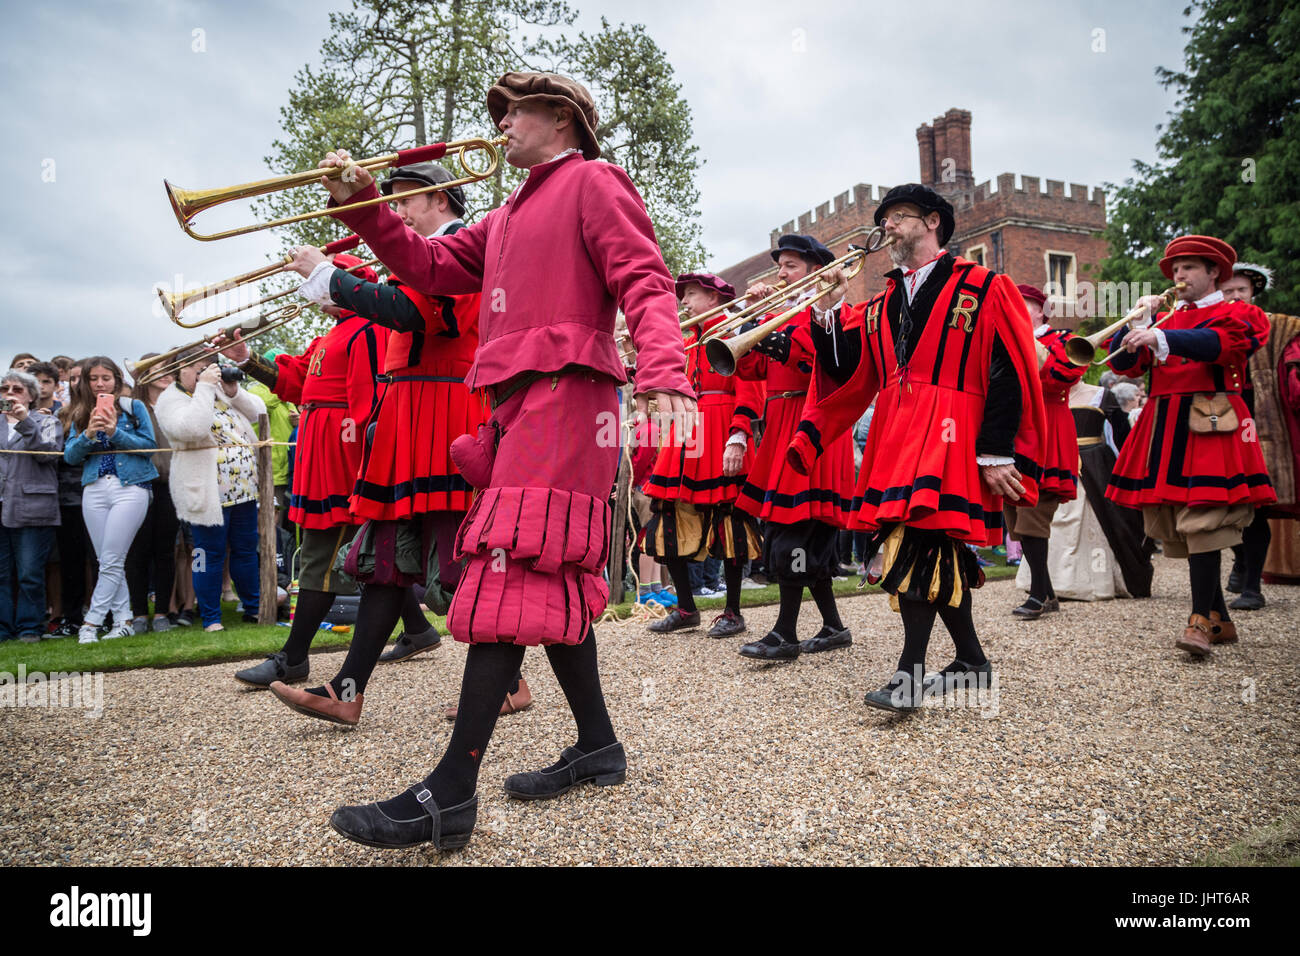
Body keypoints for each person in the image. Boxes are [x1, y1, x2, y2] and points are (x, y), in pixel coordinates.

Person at [304, 71, 694, 851]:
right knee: (546, 565)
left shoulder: (595, 179)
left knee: (509, 564)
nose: (503, 124)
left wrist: (665, 375)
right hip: (518, 403)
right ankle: (599, 745)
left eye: (514, 110)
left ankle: (451, 789)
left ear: (561, 116)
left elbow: (645, 281)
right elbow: (428, 268)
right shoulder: (507, 212)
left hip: (570, 397)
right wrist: (365, 207)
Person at [265, 168, 525, 723]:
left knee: (456, 563)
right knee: (384, 563)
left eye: (404, 201)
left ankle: (512, 681)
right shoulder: (421, 255)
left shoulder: (460, 247)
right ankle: (347, 690)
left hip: (445, 412)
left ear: (439, 197)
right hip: (405, 416)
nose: (395, 212)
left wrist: (335, 280)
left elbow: (421, 315)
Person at [787, 183, 1046, 711]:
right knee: (933, 548)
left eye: (898, 217)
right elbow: (849, 373)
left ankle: (911, 675)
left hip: (952, 433)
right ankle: (972, 661)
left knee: (916, 544)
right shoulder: (881, 302)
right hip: (897, 435)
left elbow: (1009, 372)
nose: (888, 227)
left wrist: (995, 451)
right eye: (884, 220)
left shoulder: (984, 286)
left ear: (932, 222)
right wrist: (830, 308)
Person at [219, 254, 394, 688]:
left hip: (341, 459)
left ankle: (292, 657)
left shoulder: (369, 328)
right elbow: (297, 382)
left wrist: (360, 467)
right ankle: (420, 628)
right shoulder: (331, 335)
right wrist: (246, 358)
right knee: (368, 558)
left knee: (323, 554)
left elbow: (368, 402)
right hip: (323, 455)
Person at [1105, 235, 1275, 657]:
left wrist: (1162, 339)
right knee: (1177, 522)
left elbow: (1223, 346)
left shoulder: (1239, 311)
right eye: (1175, 269)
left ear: (1214, 272)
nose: (1179, 276)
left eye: (1189, 268)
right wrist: (1132, 325)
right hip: (1164, 423)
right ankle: (1220, 618)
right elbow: (1122, 365)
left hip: (1211, 418)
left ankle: (1200, 621)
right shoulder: (1162, 320)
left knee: (1204, 520)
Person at [731, 234, 856, 661]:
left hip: (813, 424)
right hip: (781, 424)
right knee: (805, 535)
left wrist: (776, 336)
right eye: (780, 266)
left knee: (792, 536)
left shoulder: (828, 312)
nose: (780, 274)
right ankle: (834, 627)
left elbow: (820, 363)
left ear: (815, 270)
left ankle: (785, 633)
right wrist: (751, 318)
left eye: (790, 266)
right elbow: (747, 368)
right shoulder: (781, 313)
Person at [642, 272, 763, 638]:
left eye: (691, 294)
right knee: (668, 517)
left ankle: (732, 611)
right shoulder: (685, 337)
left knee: (729, 519)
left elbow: (751, 384)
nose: (684, 302)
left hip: (720, 426)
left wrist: (739, 433)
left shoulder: (733, 329)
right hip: (685, 431)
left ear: (712, 297)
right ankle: (686, 607)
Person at [155, 352, 265, 632]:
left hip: (244, 488)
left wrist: (233, 391)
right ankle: (211, 617)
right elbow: (192, 428)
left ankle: (253, 608)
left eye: (208, 368)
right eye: (198, 369)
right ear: (181, 371)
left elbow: (258, 413)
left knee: (245, 551)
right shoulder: (171, 399)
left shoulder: (217, 391)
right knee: (208, 553)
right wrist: (204, 387)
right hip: (206, 492)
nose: (206, 374)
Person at [1015, 377, 1153, 600]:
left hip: (1096, 465)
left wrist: (1130, 472)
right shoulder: (1045, 396)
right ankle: (1048, 584)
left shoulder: (1101, 395)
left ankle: (1100, 581)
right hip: (1056, 462)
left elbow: (1122, 436)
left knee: (1107, 521)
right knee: (1048, 520)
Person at [61, 357, 159, 643]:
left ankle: (90, 623)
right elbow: (70, 457)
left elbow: (149, 448)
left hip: (131, 487)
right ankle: (123, 619)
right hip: (93, 488)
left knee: (113, 559)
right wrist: (89, 434)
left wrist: (115, 432)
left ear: (116, 379)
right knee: (106, 559)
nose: (100, 383)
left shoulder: (133, 407)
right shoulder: (79, 412)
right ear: (86, 382)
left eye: (106, 377)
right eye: (93, 378)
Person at [1004, 284, 1087, 619]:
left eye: (1023, 305)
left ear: (1042, 310)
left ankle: (1039, 595)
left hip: (1047, 428)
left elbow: (1059, 379)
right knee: (1016, 519)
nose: (1017, 310)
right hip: (1013, 429)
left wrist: (1031, 346)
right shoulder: (1005, 341)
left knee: (1033, 515)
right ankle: (1046, 591)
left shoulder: (1061, 339)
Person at [1218, 262, 1299, 605]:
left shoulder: (1282, 328)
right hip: (1218, 425)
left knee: (1256, 507)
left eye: (1242, 291)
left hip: (1261, 429)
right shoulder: (1208, 327)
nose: (1235, 297)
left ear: (1253, 293)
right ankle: (1240, 560)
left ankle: (1252, 585)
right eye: (1228, 291)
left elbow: (1294, 381)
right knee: (1223, 506)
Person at [0, 369, 63, 642]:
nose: (10, 394)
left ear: (32, 396)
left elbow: (48, 455)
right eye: (5, 389)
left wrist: (25, 421)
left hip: (32, 506)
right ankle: (2, 629)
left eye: (17, 389)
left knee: (29, 574)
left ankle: (29, 627)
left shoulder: (46, 421)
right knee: (1, 574)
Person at [123, 358, 178, 634]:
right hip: (139, 483)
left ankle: (163, 613)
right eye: (159, 370)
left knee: (165, 551)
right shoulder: (132, 406)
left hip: (170, 484)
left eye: (169, 371)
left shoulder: (177, 403)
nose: (166, 375)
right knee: (138, 551)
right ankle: (139, 613)